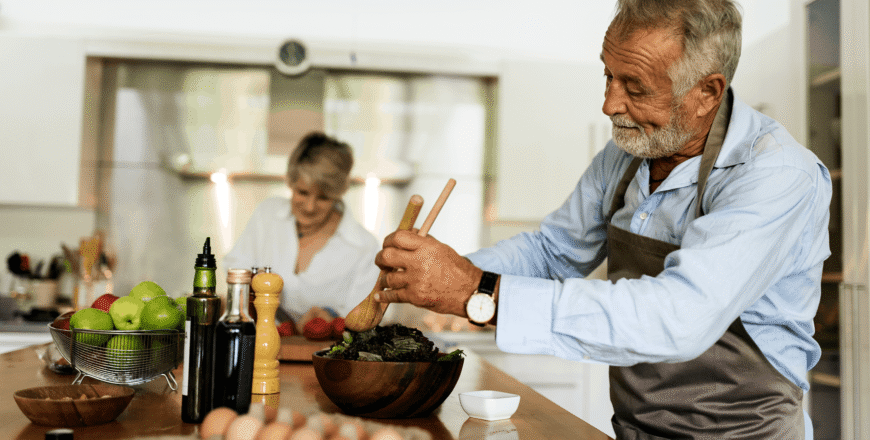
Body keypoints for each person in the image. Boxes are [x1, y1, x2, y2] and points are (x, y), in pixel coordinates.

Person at [371, 0, 831, 438]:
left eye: (635, 87)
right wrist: (436, 275)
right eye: (608, 75)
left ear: (706, 92)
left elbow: (678, 318)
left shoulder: (776, 174)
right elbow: (552, 252)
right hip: (635, 428)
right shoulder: (629, 152)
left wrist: (479, 292)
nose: (610, 104)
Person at [224, 132, 380, 334]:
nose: (309, 206)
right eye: (302, 192)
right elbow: (235, 267)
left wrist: (329, 317)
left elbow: (364, 317)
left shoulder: (365, 247)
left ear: (339, 193)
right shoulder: (267, 215)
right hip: (258, 342)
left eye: (323, 198)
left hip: (325, 357)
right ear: (291, 183)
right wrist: (253, 287)